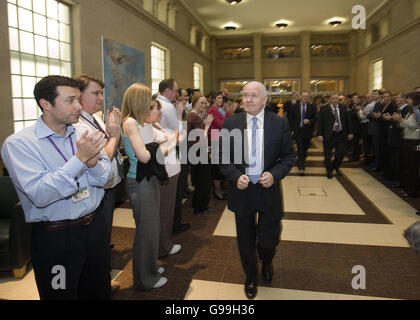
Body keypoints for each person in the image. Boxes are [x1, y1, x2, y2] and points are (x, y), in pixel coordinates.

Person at [1, 75, 112, 299]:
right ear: (46, 104)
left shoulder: (82, 133)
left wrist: (92, 165)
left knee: (98, 291)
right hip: (57, 238)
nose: (79, 107)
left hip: (94, 228)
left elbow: (107, 177)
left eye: (79, 100)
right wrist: (79, 160)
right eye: (70, 100)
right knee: (60, 294)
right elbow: (40, 194)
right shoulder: (20, 144)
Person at [219, 81, 295, 299]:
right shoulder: (231, 123)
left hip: (267, 189)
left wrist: (275, 174)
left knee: (269, 238)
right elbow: (222, 157)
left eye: (253, 96)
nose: (248, 100)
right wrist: (235, 177)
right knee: (244, 239)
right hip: (242, 190)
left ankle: (267, 259)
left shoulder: (279, 123)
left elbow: (289, 156)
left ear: (265, 100)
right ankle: (251, 277)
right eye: (245, 95)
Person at [121, 83, 167, 290]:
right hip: (139, 183)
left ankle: (151, 268)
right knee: (146, 231)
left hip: (149, 179)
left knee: (152, 227)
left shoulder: (141, 121)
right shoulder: (130, 122)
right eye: (149, 98)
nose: (152, 102)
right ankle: (144, 279)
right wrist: (162, 146)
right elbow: (144, 156)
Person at [149, 98, 183, 257]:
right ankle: (163, 246)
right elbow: (157, 155)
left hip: (172, 169)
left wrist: (175, 139)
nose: (160, 112)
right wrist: (173, 141)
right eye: (157, 108)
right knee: (164, 212)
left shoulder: (157, 125)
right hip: (166, 172)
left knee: (168, 211)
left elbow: (177, 137)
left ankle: (165, 243)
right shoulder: (147, 128)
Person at [156, 79, 190, 235]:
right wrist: (179, 114)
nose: (177, 95)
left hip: (162, 151)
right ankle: (173, 226)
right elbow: (180, 132)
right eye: (176, 91)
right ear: (168, 91)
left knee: (164, 199)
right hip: (169, 152)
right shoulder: (168, 107)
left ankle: (167, 228)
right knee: (172, 197)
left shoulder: (157, 102)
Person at [187, 95, 214, 214]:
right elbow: (200, 136)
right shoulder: (193, 116)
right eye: (202, 103)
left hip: (197, 151)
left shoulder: (194, 115)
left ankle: (199, 205)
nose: (204, 105)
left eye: (205, 103)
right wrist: (207, 124)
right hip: (198, 151)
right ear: (195, 103)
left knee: (200, 180)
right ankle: (200, 207)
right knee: (203, 180)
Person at [317, 93, 354, 179]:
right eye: (333, 98)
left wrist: (350, 132)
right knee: (327, 155)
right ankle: (329, 171)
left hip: (341, 134)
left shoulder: (343, 108)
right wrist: (319, 134)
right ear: (329, 99)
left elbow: (348, 121)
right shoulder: (323, 109)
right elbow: (320, 123)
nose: (335, 100)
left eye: (337, 98)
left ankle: (334, 166)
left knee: (341, 153)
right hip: (329, 134)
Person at [289, 92, 317, 176]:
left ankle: (301, 160)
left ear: (308, 97)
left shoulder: (312, 106)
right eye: (303, 96)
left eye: (306, 96)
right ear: (300, 97)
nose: (305, 98)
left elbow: (316, 117)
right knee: (300, 148)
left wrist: (309, 121)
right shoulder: (294, 107)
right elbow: (291, 119)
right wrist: (291, 129)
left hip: (308, 131)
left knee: (305, 149)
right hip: (298, 131)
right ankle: (301, 167)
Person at [207, 91, 228, 200]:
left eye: (221, 98)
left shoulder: (217, 110)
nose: (221, 100)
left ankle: (219, 189)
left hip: (217, 138)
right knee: (216, 167)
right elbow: (221, 124)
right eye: (218, 98)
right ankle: (217, 191)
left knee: (218, 165)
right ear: (214, 100)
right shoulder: (212, 110)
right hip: (214, 138)